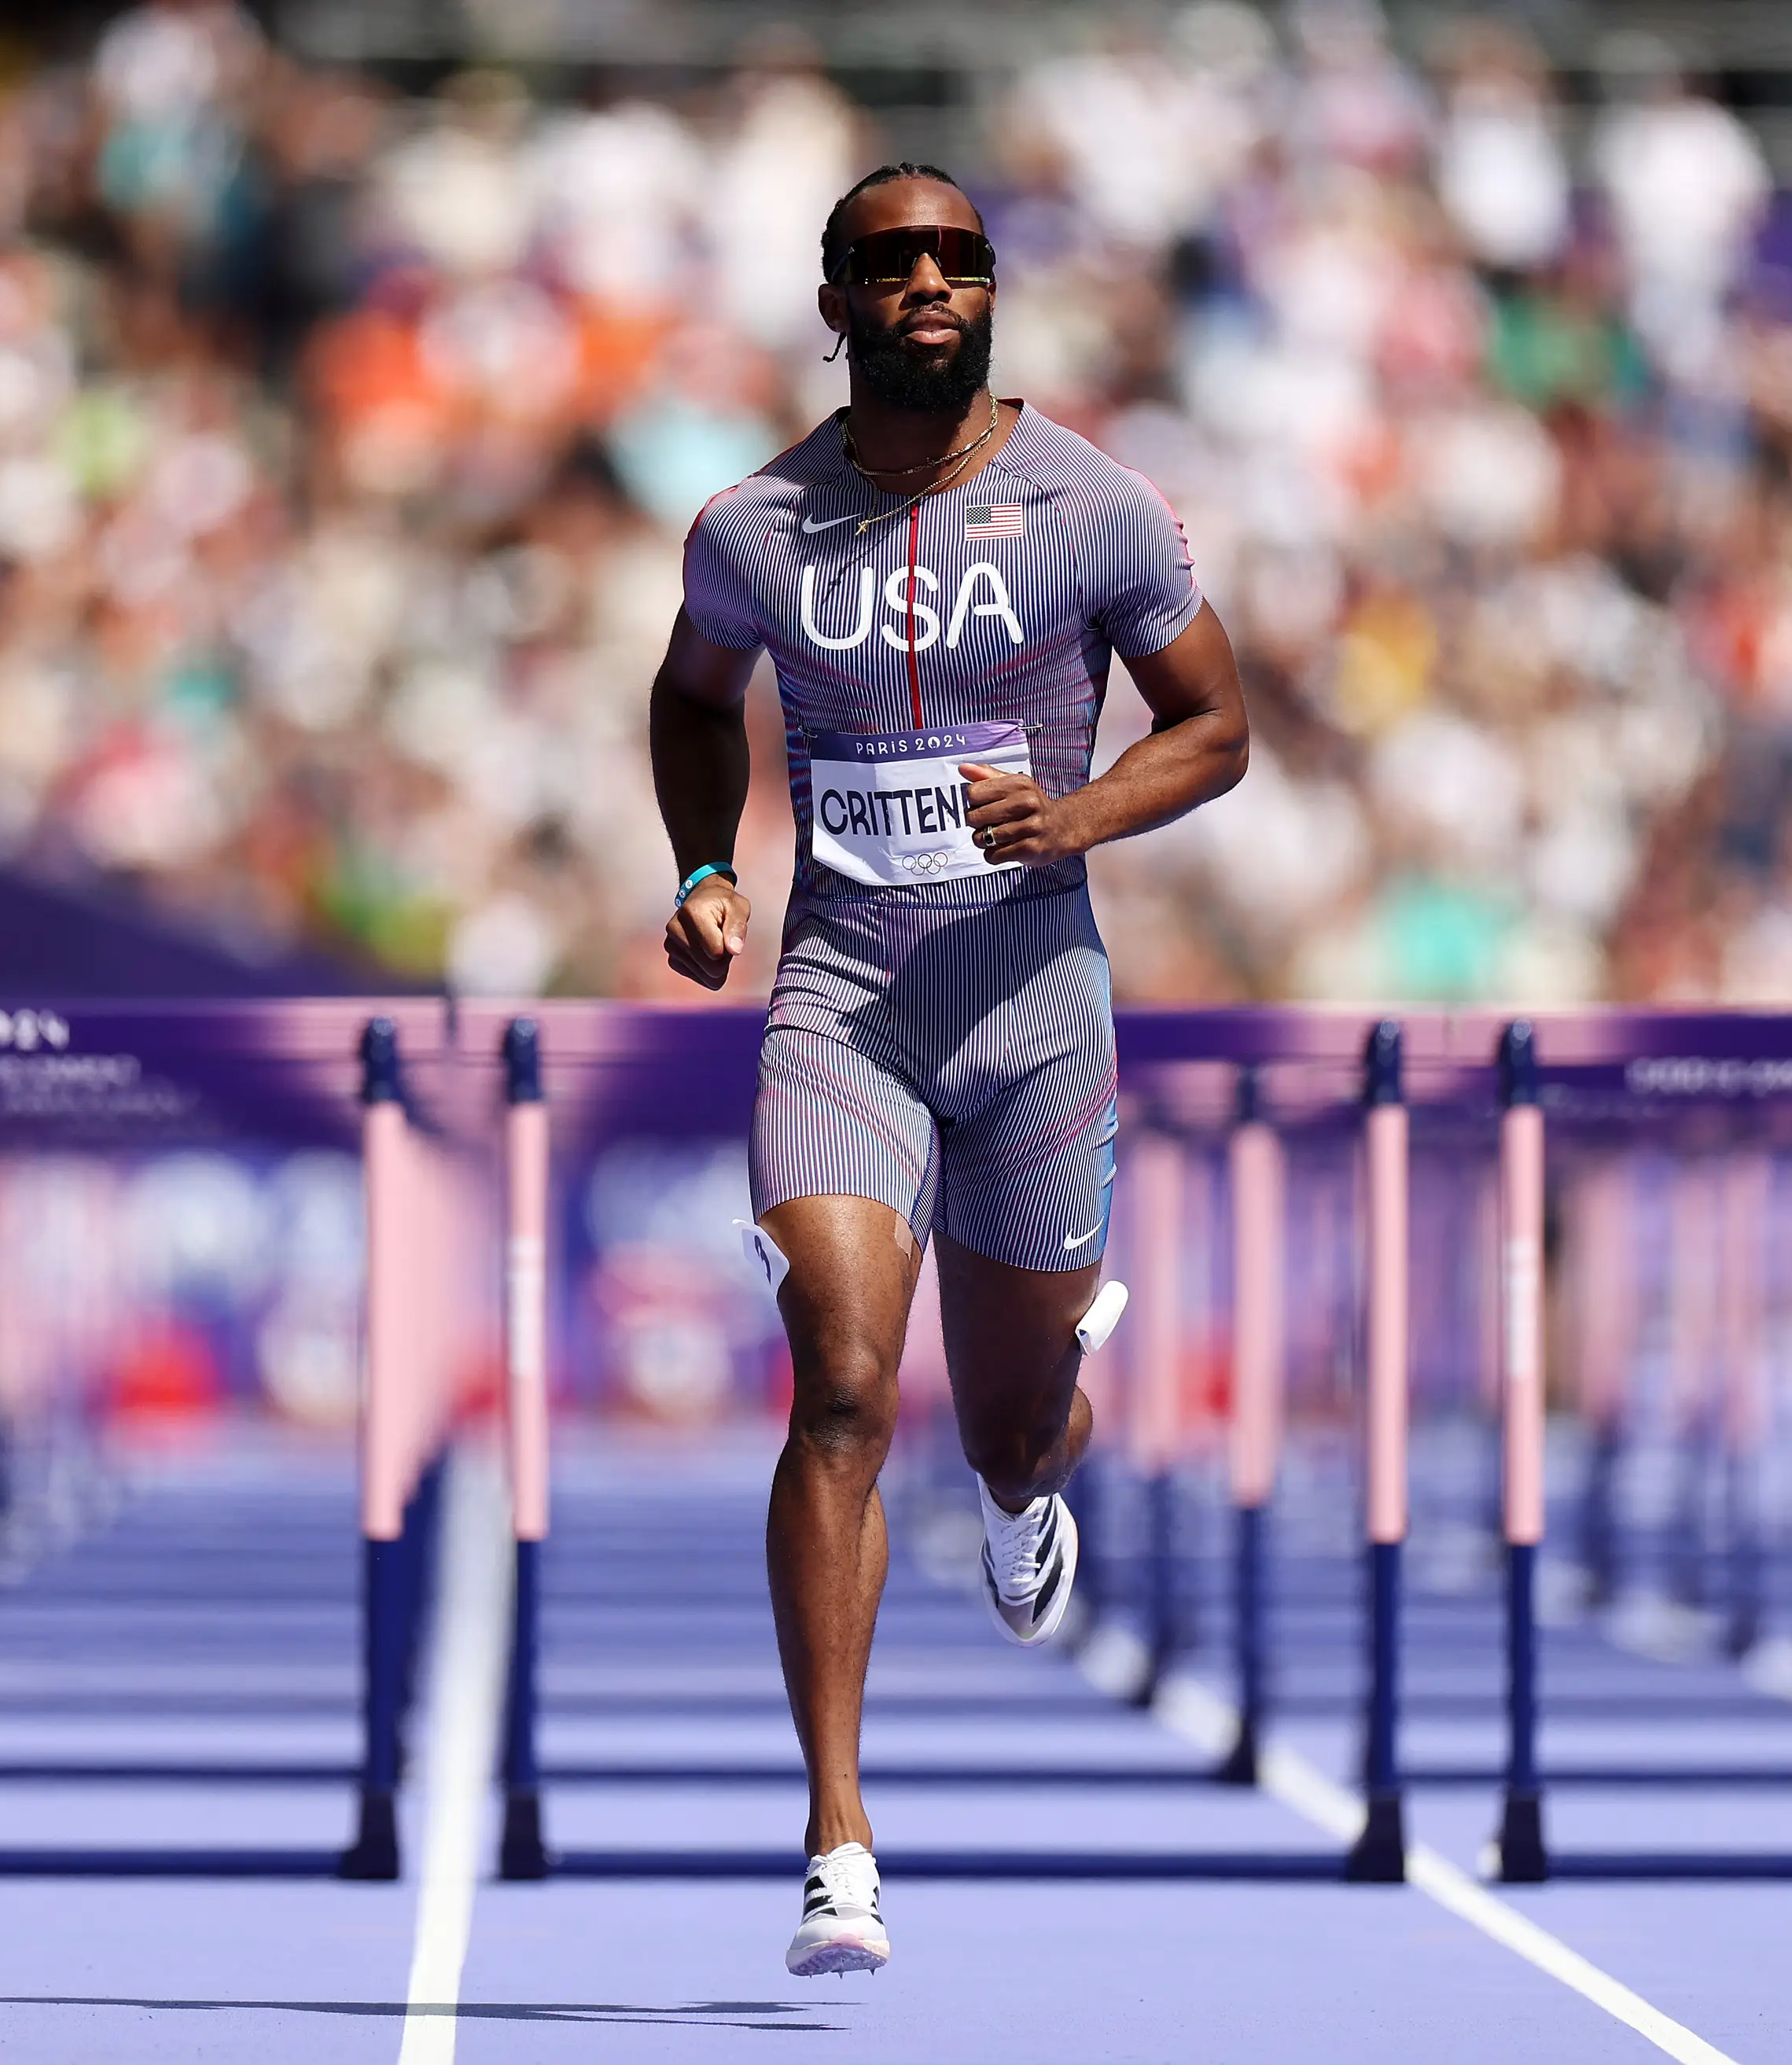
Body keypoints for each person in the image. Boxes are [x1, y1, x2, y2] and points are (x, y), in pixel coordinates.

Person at [646, 161, 1249, 1976]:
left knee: (1004, 1421)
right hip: (846, 999)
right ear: (835, 299)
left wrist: (1079, 812)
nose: (928, 280)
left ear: (990, 294)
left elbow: (1218, 724)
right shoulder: (751, 525)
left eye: (958, 258)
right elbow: (691, 698)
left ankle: (1029, 1469)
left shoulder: (1094, 506)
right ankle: (837, 1837)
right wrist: (703, 865)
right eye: (891, 259)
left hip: (1036, 1004)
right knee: (841, 1380)